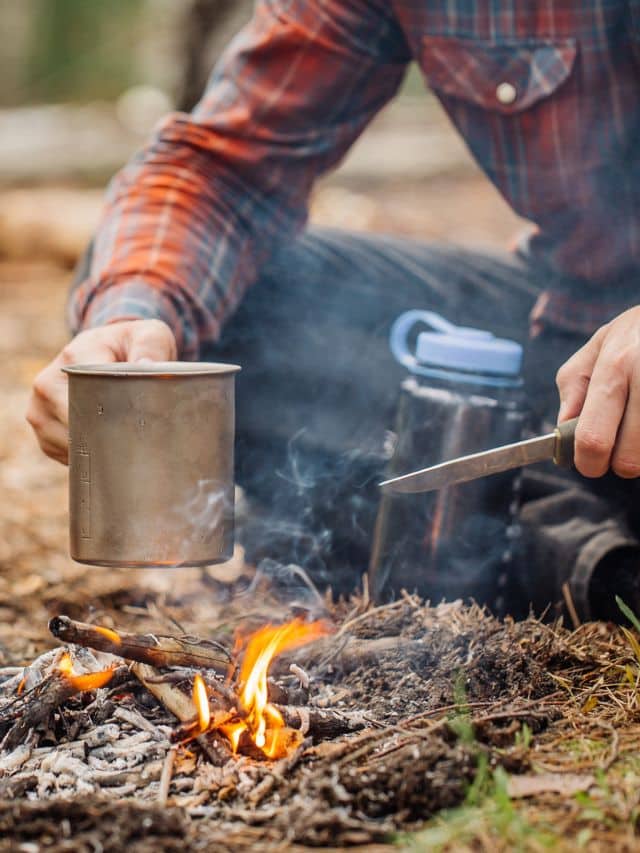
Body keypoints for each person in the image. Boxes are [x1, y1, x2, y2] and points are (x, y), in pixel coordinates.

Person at [26, 1, 640, 619]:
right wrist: (126, 322)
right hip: (558, 334)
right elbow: (222, 171)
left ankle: (571, 558)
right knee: (212, 312)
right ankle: (558, 543)